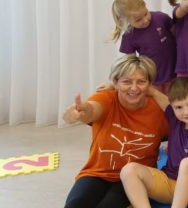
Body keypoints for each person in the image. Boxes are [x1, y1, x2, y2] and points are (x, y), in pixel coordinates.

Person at [63, 55, 171, 208]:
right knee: (75, 205)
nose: (134, 88)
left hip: (134, 179)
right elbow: (92, 110)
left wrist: (153, 92)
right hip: (97, 173)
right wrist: (80, 112)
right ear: (115, 82)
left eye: (141, 82)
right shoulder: (106, 98)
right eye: (127, 82)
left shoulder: (158, 110)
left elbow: (182, 119)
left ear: (149, 84)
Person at [120, 77, 188, 208]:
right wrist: (115, 86)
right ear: (173, 108)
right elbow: (152, 91)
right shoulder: (175, 118)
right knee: (128, 170)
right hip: (170, 183)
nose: (186, 112)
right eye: (179, 107)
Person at [111, 0, 176, 93]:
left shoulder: (161, 18)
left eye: (146, 14)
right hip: (152, 79)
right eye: (138, 20)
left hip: (175, 73)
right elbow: (131, 62)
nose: (145, 20)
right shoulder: (129, 36)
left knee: (175, 100)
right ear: (126, 21)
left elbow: (178, 35)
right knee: (156, 101)